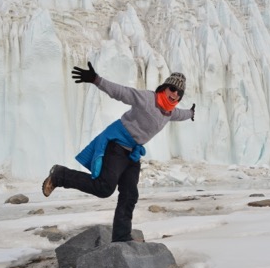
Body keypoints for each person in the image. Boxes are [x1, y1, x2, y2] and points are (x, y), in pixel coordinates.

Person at [42, 61, 195, 242]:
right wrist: (96, 80)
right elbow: (122, 93)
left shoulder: (170, 113)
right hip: (117, 145)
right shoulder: (147, 98)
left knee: (130, 194)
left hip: (132, 154)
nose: (175, 94)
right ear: (165, 87)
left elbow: (182, 114)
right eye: (172, 88)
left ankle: (121, 237)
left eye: (179, 93)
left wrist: (191, 113)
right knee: (104, 188)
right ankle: (60, 175)